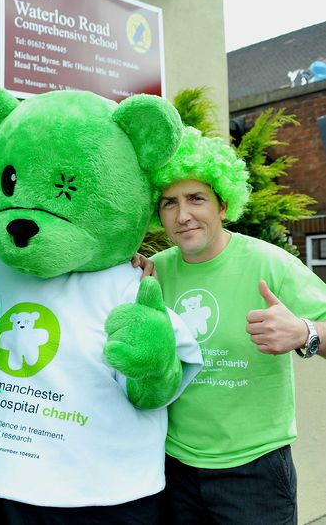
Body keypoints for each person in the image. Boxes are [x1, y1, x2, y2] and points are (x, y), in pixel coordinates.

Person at [150, 126, 326, 525]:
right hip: (174, 466)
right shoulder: (154, 272)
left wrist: (304, 332)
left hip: (255, 472)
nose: (183, 215)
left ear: (223, 205)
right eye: (168, 203)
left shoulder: (269, 263)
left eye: (196, 199)